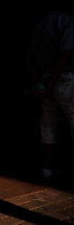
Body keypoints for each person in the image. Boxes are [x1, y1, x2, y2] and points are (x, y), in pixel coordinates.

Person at [27, 11, 74, 180]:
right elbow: (66, 53)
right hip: (64, 79)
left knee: (49, 125)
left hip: (45, 80)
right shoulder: (67, 22)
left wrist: (41, 83)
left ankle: (48, 167)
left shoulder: (39, 26)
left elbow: (29, 58)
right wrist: (51, 81)